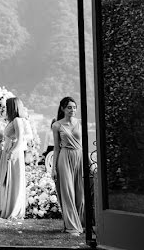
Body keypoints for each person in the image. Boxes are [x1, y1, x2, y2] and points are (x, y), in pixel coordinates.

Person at [52, 96, 84, 236]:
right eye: (69, 107)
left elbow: (83, 144)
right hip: (64, 158)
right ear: (63, 109)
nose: (73, 110)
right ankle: (72, 227)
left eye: (74, 107)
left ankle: (80, 222)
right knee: (68, 193)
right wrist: (53, 168)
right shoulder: (57, 125)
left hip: (79, 158)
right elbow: (56, 148)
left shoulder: (80, 122)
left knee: (80, 194)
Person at [0, 96, 28, 219]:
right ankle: (5, 207)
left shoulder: (17, 121)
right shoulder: (12, 121)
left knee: (13, 181)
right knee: (7, 180)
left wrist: (11, 153)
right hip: (8, 152)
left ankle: (13, 209)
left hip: (13, 155)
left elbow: (20, 139)